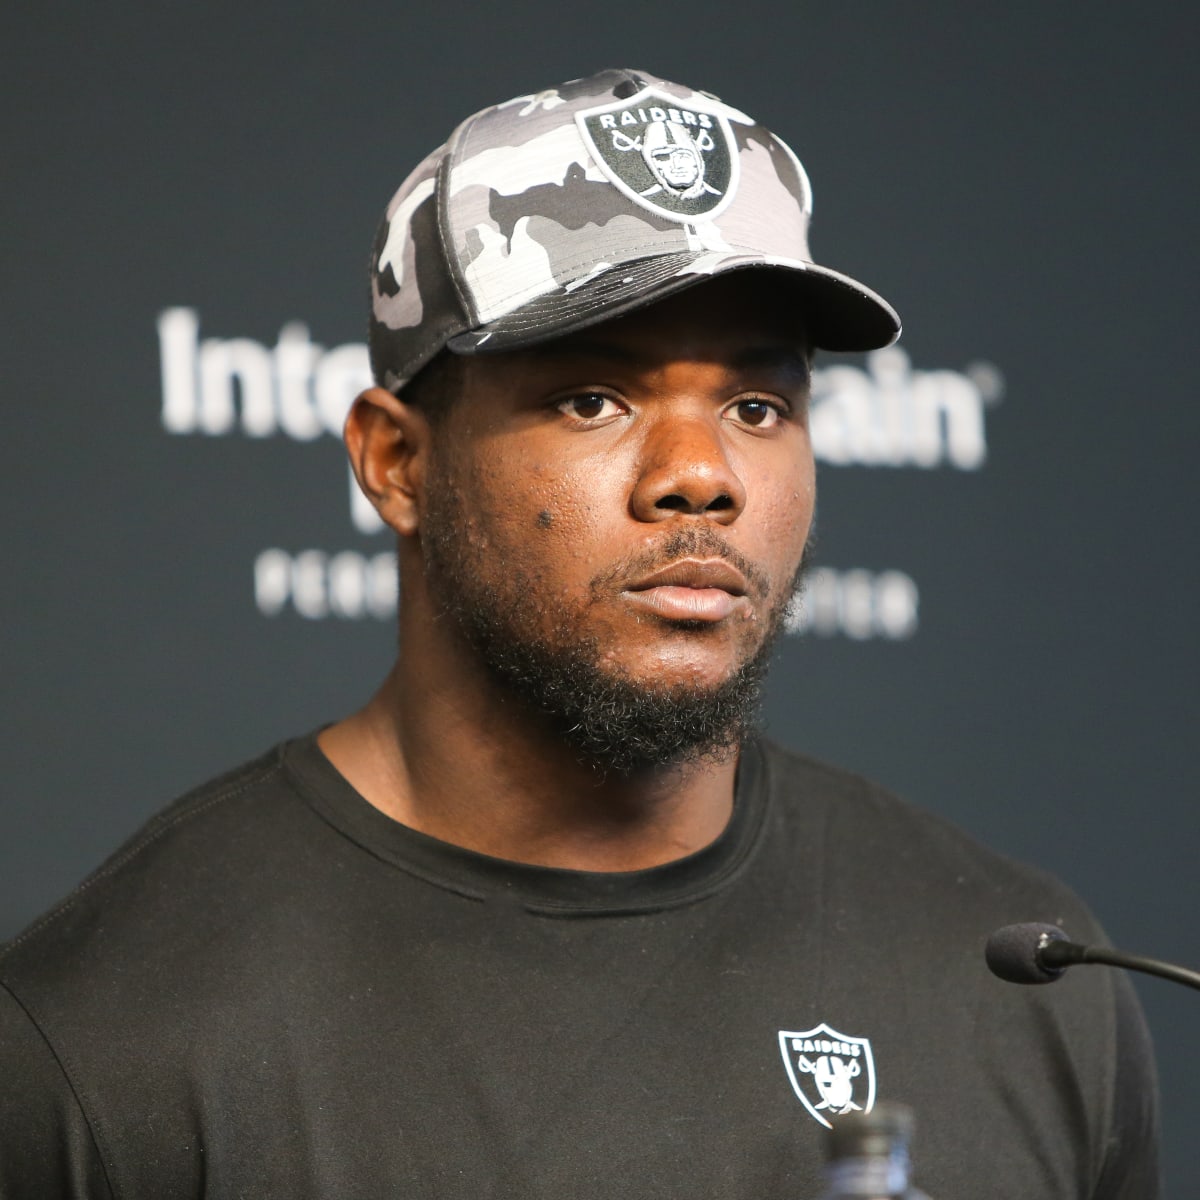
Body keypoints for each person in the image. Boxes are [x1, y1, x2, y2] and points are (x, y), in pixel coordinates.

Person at [0, 69, 1159, 1198]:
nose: (700, 476)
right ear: (397, 463)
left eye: (758, 408)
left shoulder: (1018, 983)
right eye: (592, 399)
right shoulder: (104, 1044)